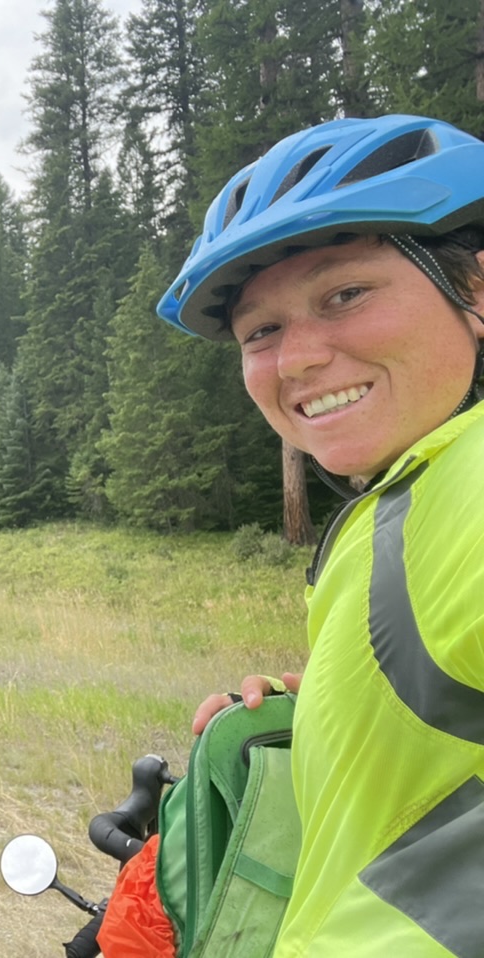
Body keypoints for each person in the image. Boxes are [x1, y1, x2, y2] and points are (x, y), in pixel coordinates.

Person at [157, 114, 484, 956]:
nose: (296, 358)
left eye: (344, 295)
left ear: (476, 292)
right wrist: (337, 701)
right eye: (261, 331)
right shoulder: (403, 495)